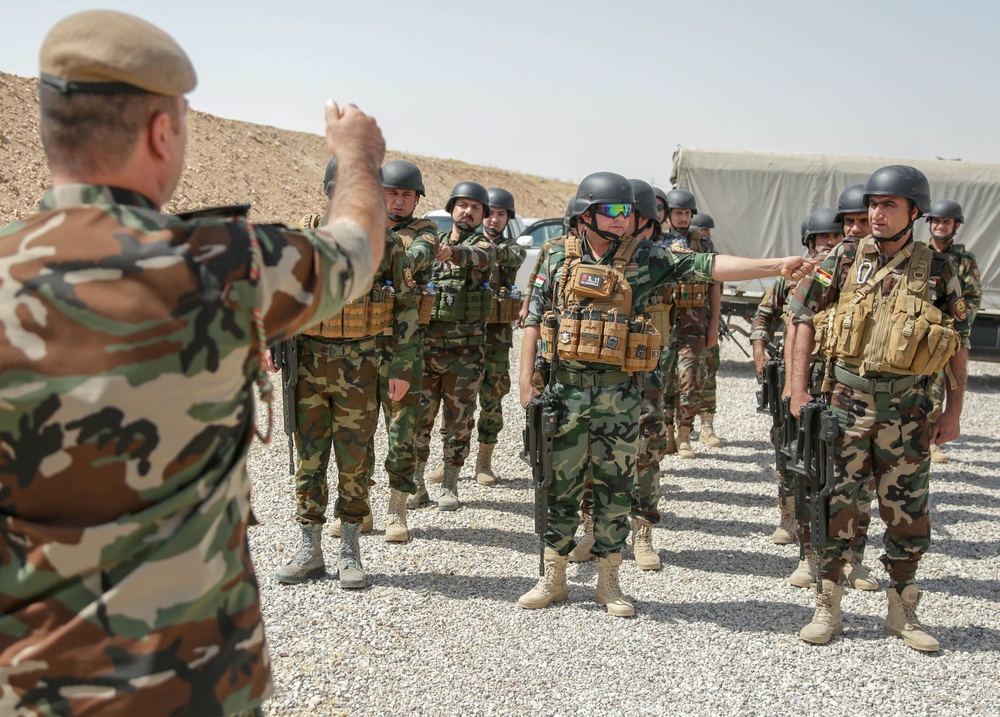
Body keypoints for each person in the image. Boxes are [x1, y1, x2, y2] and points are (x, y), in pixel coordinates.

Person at [0, 10, 386, 715]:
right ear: (161, 131)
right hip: (196, 686)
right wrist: (358, 155)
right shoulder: (224, 265)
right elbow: (356, 247)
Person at [518, 171, 814, 617]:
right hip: (565, 395)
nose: (624, 219)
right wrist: (525, 382)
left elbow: (708, 268)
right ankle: (554, 577)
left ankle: (609, 581)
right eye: (613, 211)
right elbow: (535, 320)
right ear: (586, 213)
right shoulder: (558, 257)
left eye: (629, 212)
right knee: (558, 488)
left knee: (616, 489)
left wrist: (774, 266)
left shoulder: (648, 259)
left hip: (620, 397)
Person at [788, 165, 970, 651]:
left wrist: (952, 412)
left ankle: (902, 611)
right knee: (836, 504)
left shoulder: (938, 268)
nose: (877, 213)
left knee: (907, 513)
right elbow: (802, 316)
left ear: (914, 212)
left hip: (909, 410)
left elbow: (957, 342)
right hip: (845, 405)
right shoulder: (843, 257)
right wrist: (797, 388)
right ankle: (828, 605)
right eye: (873, 204)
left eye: (889, 205)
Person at [275, 158, 417, 587]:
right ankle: (309, 547)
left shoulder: (386, 244)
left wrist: (401, 366)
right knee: (309, 460)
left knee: (354, 462)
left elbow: (407, 308)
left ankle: (350, 549)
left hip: (362, 367)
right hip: (309, 366)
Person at [410, 182, 497, 510]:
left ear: (483, 215)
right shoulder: (430, 243)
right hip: (427, 349)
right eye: (462, 205)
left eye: (476, 207)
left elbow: (481, 257)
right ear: (451, 208)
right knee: (419, 420)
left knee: (458, 421)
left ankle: (450, 484)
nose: (468, 211)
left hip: (465, 355)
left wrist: (452, 253)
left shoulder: (484, 246)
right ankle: (417, 483)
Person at [472, 188, 526, 484]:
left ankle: (484, 461)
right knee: (457, 401)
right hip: (464, 335)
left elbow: (506, 255)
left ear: (508, 219)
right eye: (490, 213)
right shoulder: (465, 243)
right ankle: (450, 461)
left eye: (501, 214)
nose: (494, 219)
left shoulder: (512, 249)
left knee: (492, 397)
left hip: (496, 337)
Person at [662, 189, 721, 459]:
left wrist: (713, 326)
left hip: (695, 327)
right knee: (663, 382)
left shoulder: (703, 245)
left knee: (690, 382)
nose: (683, 218)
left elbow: (714, 287)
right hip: (665, 327)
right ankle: (666, 434)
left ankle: (685, 435)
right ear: (669, 215)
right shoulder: (660, 243)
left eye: (687, 213)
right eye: (678, 213)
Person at [629, 179, 669, 571]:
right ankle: (591, 526)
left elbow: (706, 269)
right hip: (601, 372)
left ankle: (642, 530)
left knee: (646, 452)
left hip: (647, 374)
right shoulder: (586, 256)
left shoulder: (660, 258)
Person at [923, 199, 981, 463]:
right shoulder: (919, 253)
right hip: (919, 331)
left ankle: (931, 442)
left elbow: (971, 297)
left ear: (955, 225)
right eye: (936, 221)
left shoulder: (964, 260)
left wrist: (957, 328)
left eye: (946, 221)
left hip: (947, 334)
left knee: (940, 384)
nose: (940, 226)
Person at [690, 212, 723, 447]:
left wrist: (714, 326)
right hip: (676, 326)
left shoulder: (707, 251)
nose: (706, 236)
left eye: (708, 232)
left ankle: (707, 425)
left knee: (708, 374)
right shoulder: (671, 245)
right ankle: (680, 429)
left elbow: (715, 289)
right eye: (702, 231)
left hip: (702, 322)